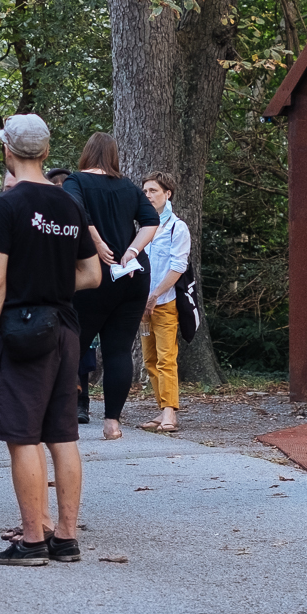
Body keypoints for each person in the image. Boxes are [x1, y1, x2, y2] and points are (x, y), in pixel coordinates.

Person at [0, 114, 100, 565]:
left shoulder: (7, 205)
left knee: (23, 435)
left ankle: (32, 539)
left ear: (7, 151)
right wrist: (53, 281)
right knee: (62, 434)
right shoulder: (69, 204)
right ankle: (66, 537)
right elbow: (92, 273)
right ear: (46, 152)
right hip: (66, 328)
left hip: (23, 330)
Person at [63, 132, 159, 440]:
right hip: (132, 276)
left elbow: (76, 211)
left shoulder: (75, 182)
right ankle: (112, 423)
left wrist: (98, 242)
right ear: (113, 156)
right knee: (119, 349)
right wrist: (132, 250)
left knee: (72, 345)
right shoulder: (128, 186)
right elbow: (151, 221)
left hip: (94, 276)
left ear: (87, 153)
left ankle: (59, 412)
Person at [140, 171, 190, 433]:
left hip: (164, 302)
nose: (148, 195)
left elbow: (178, 267)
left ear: (167, 194)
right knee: (149, 359)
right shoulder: (143, 226)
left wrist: (155, 295)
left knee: (166, 358)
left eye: (154, 191)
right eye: (145, 191)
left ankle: (170, 412)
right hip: (142, 304)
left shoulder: (177, 228)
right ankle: (162, 409)